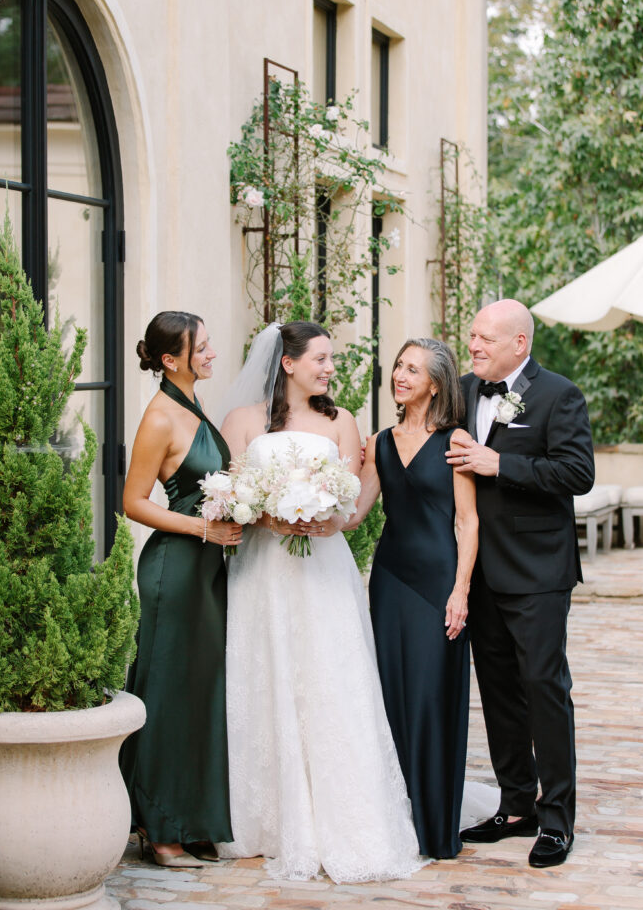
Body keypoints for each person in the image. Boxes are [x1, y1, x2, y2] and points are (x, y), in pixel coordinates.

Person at [218, 321, 424, 883]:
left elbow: (352, 504)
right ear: (287, 363)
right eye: (322, 358)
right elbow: (232, 492)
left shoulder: (343, 422)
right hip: (263, 570)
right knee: (264, 673)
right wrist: (269, 515)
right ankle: (263, 821)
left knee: (331, 678)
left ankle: (344, 815)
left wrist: (321, 517)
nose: (331, 368)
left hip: (323, 571)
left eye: (332, 359)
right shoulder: (240, 421)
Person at [446, 299, 594, 868]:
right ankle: (516, 807)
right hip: (476, 569)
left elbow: (577, 473)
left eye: (486, 337)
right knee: (499, 693)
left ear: (520, 343)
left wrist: (499, 464)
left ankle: (557, 820)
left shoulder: (559, 394)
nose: (475, 345)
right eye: (473, 335)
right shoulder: (460, 390)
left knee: (544, 690)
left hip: (536, 573)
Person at [348, 338, 480, 859]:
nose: (400, 375)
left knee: (429, 696)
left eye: (413, 370)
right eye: (399, 366)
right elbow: (356, 512)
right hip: (390, 579)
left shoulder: (455, 440)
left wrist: (461, 590)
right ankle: (397, 821)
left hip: (438, 582)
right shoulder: (378, 441)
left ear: (435, 383)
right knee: (390, 695)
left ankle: (432, 824)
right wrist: (306, 508)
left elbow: (467, 521)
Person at [120, 311, 242, 868]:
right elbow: (134, 501)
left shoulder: (193, 407)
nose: (212, 352)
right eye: (204, 345)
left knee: (197, 696)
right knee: (168, 697)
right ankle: (158, 827)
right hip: (175, 570)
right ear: (172, 360)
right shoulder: (161, 417)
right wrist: (203, 528)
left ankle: (189, 819)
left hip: (207, 570)